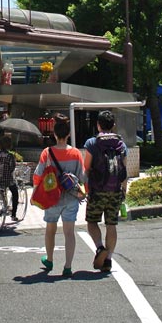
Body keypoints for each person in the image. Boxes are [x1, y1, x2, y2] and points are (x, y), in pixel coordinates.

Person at [33, 113, 85, 277]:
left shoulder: (47, 153)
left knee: (50, 229)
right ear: (68, 134)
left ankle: (49, 260)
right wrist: (82, 193)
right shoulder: (76, 153)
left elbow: (37, 175)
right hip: (71, 198)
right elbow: (82, 177)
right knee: (69, 232)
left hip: (51, 198)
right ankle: (68, 266)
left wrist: (35, 192)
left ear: (54, 134)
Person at [84, 109, 129, 273]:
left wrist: (86, 186)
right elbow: (124, 170)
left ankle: (99, 248)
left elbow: (86, 167)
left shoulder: (92, 143)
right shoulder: (121, 144)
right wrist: (124, 191)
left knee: (92, 221)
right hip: (115, 191)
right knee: (111, 224)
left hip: (97, 190)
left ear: (98, 125)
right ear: (113, 126)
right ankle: (108, 259)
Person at [0, 133, 19, 221]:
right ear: (9, 145)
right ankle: (13, 215)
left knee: (1, 189)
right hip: (7, 180)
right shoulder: (10, 156)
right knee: (15, 193)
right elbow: (12, 168)